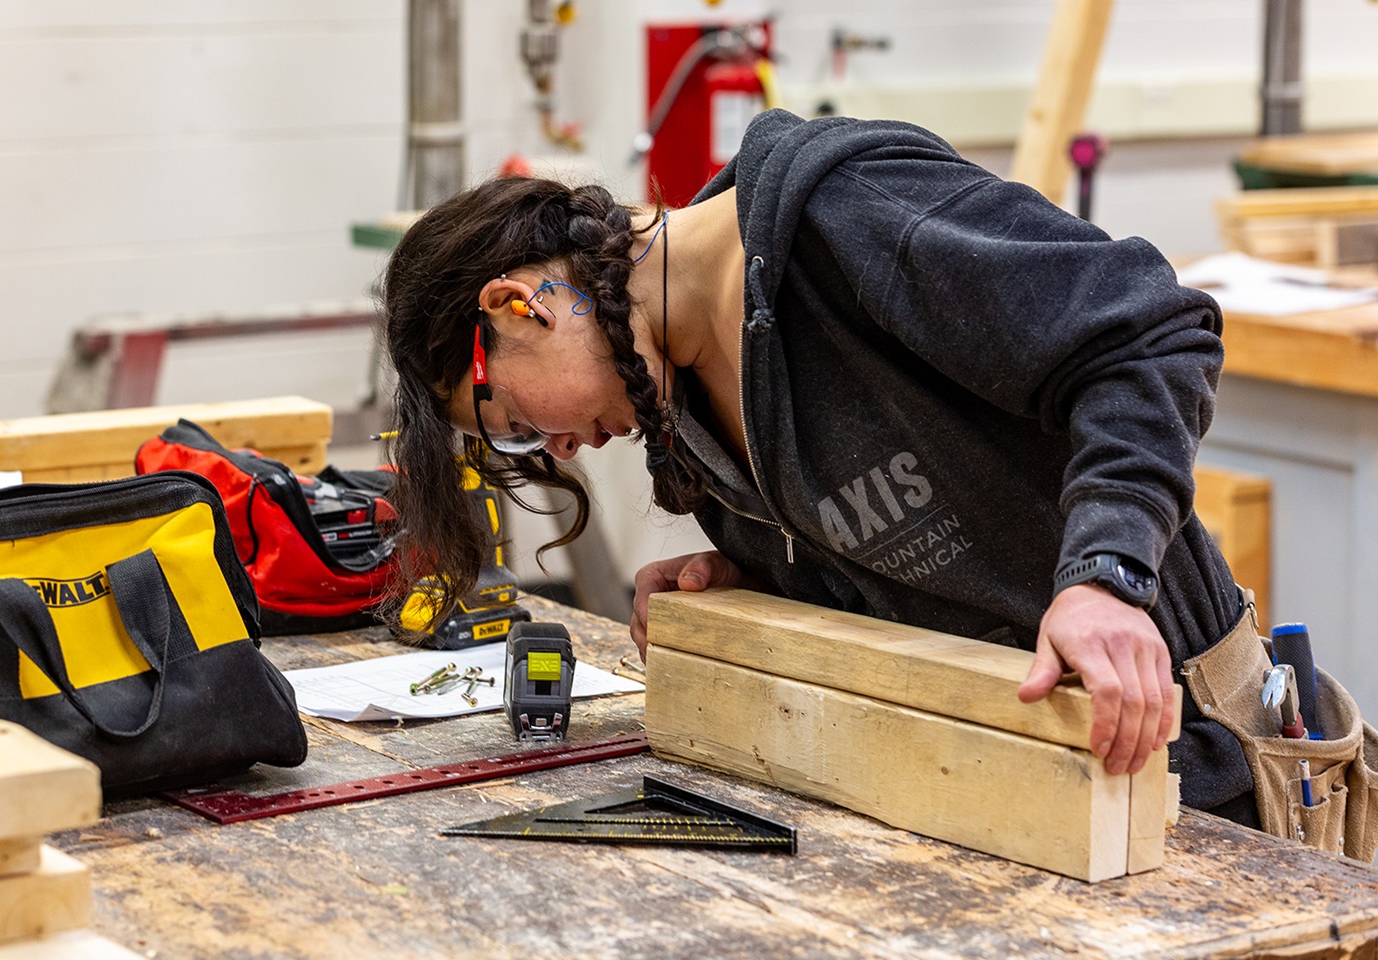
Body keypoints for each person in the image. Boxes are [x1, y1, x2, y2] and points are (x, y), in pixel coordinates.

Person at [381, 108, 1258, 827]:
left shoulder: (846, 215)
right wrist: (765, 573)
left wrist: (1104, 576)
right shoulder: (674, 396)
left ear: (519, 304)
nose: (560, 449)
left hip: (1182, 773)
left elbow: (1150, 338)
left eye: (518, 423)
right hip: (993, 790)